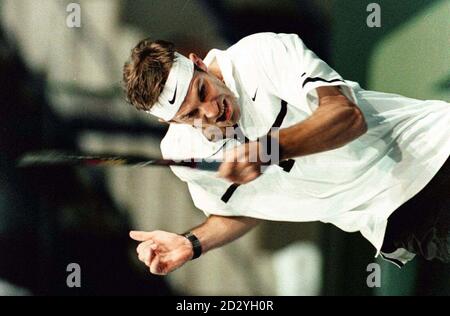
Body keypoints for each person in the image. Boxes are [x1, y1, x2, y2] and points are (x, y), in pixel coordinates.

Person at [122, 33, 449, 275]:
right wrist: (191, 243)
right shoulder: (183, 154)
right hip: (398, 220)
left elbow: (347, 118)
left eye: (203, 91)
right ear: (171, 122)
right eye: (191, 115)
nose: (210, 111)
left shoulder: (262, 54)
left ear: (198, 63)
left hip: (433, 151)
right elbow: (243, 208)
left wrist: (269, 149)